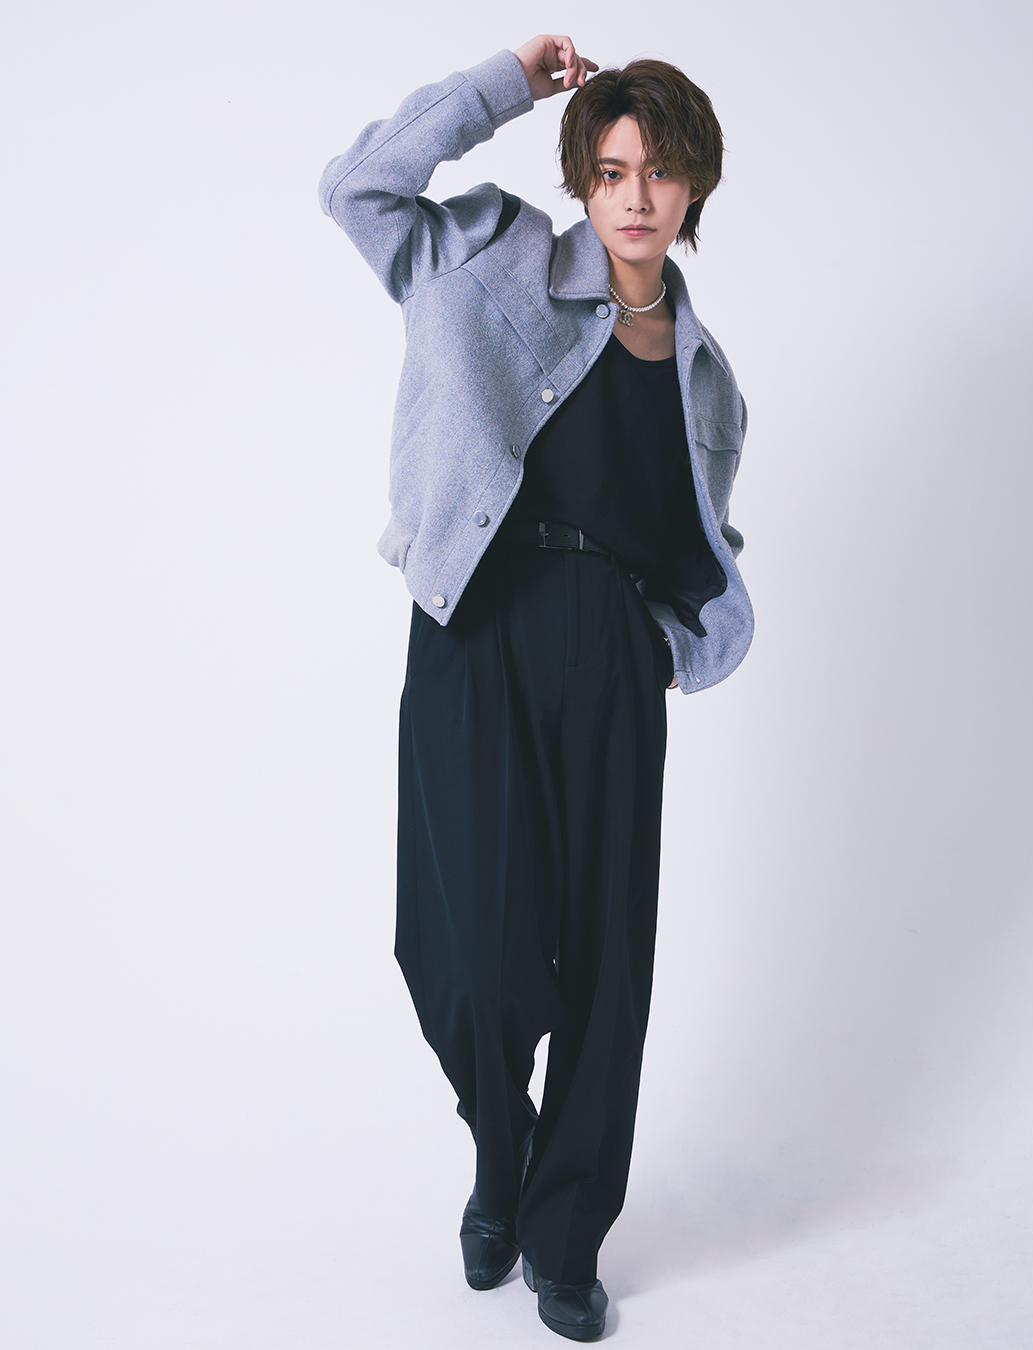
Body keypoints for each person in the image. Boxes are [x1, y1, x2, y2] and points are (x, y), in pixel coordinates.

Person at [318, 33, 753, 1342]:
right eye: (612, 170)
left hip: (608, 647)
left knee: (606, 952)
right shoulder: (486, 250)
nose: (635, 196)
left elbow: (704, 547)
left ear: (693, 187)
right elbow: (357, 189)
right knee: (465, 949)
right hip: (473, 623)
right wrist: (505, 82)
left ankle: (565, 1233)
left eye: (659, 172)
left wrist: (661, 650)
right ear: (582, 181)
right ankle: (499, 1151)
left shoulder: (705, 378)